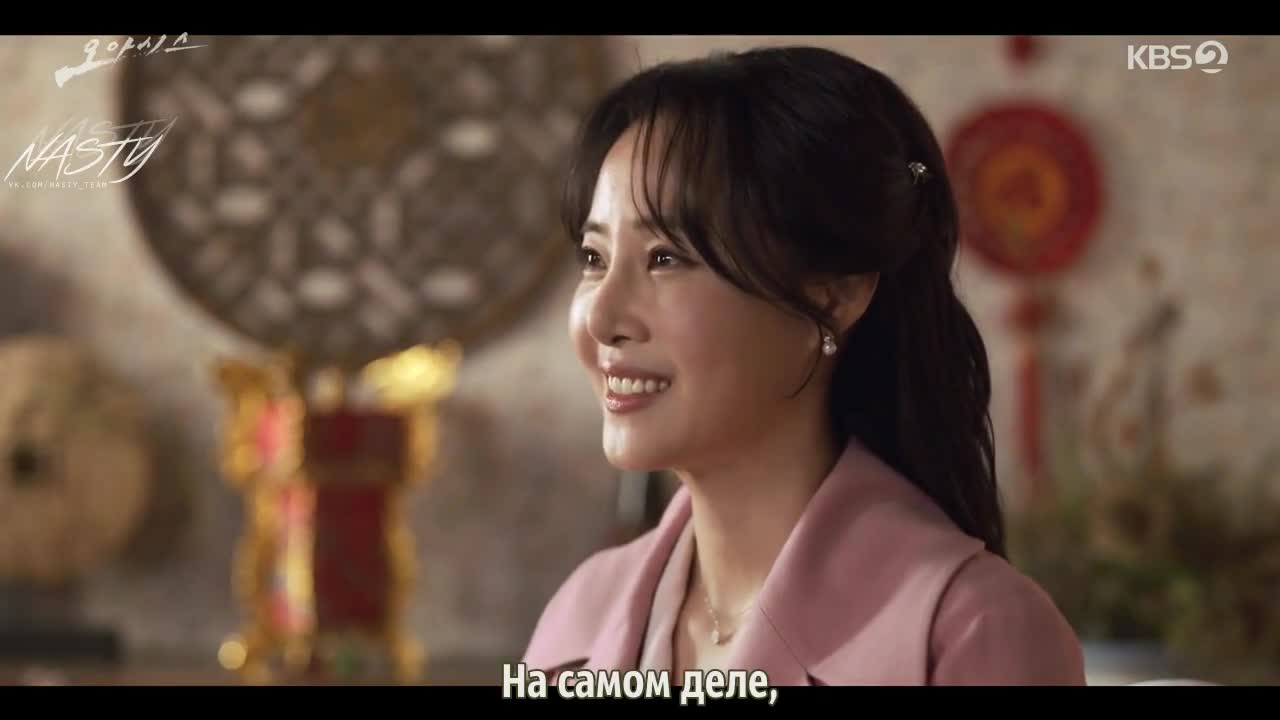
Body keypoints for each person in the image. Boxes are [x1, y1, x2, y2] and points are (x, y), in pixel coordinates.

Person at [522, 45, 1086, 686]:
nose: (601, 318)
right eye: (594, 259)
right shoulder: (581, 615)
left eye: (665, 258)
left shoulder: (973, 628)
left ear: (833, 294)